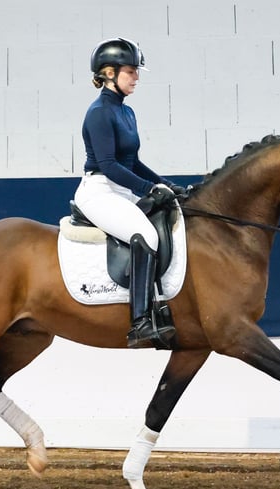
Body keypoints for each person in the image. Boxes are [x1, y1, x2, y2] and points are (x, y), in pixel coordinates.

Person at [74, 37, 181, 349]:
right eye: (131, 71)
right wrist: (148, 189)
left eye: (137, 72)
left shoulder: (127, 112)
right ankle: (140, 321)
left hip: (122, 188)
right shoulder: (99, 113)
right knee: (145, 236)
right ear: (109, 73)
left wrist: (166, 185)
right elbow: (108, 165)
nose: (136, 77)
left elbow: (132, 162)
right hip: (100, 191)